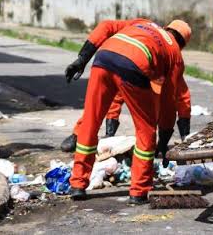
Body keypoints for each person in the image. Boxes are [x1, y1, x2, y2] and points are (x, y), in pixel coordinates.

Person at [64, 18, 191, 204]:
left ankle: (77, 184)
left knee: (90, 122)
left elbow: (105, 26)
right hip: (134, 66)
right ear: (183, 44)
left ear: (166, 27)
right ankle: (138, 191)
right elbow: (168, 102)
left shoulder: (145, 23)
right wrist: (163, 140)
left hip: (103, 57)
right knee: (146, 131)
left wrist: (82, 58)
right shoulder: (175, 55)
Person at [60, 79, 192, 152]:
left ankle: (161, 143)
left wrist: (183, 137)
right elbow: (115, 98)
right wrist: (109, 136)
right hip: (121, 62)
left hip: (151, 69)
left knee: (163, 106)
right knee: (100, 101)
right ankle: (78, 134)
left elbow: (183, 100)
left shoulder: (174, 68)